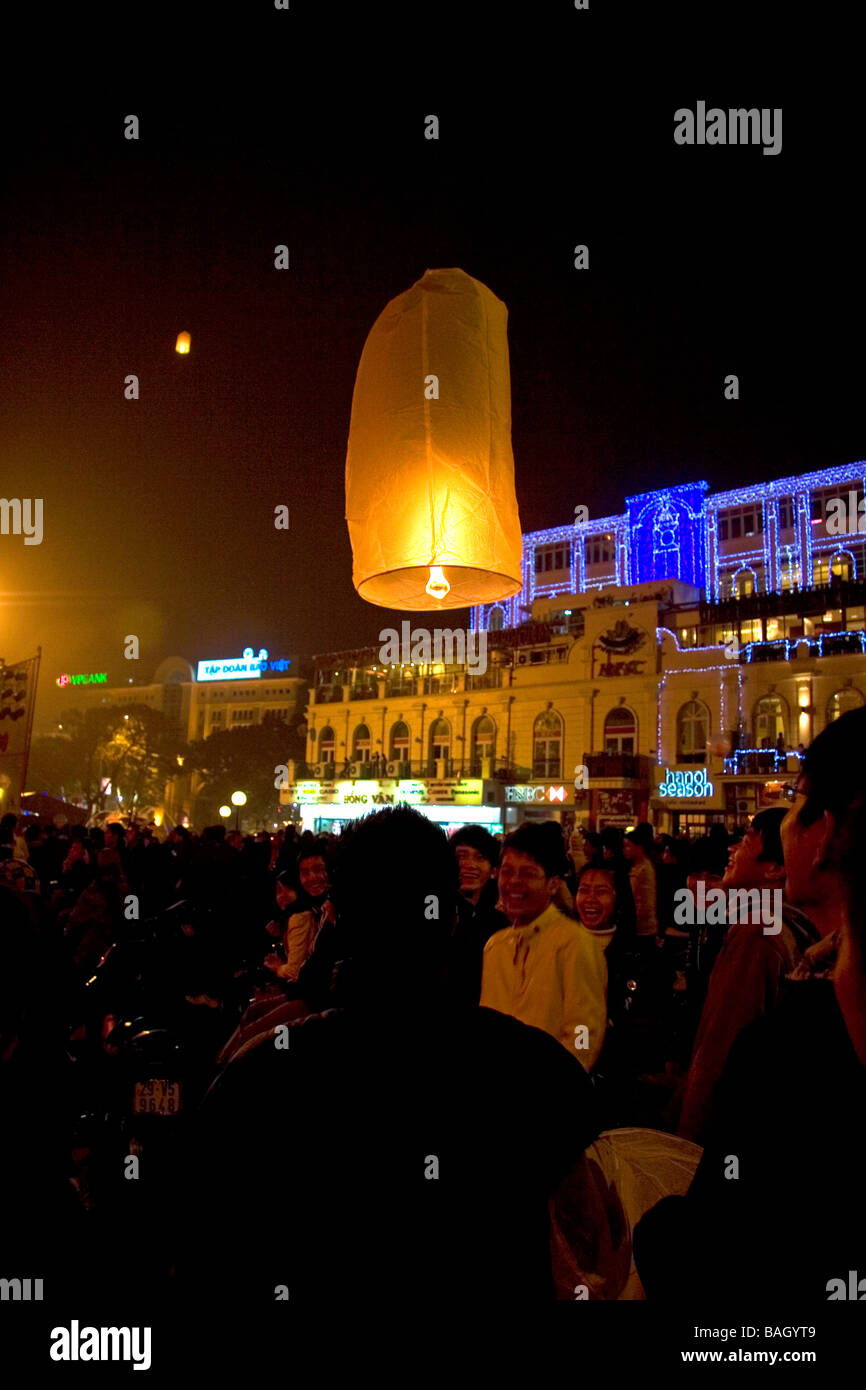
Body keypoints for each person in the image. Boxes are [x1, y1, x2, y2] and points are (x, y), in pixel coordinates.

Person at [176, 806, 600, 1309]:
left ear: (336, 920)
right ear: (450, 918)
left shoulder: (254, 1084)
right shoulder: (541, 1079)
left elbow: (206, 1261)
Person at [634, 706, 866, 1303]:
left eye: (793, 806)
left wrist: (668, 1197)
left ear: (824, 835)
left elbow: (714, 1251)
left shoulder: (791, 1044)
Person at [676, 807, 821, 1145]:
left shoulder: (757, 932)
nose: (732, 850)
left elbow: (720, 1046)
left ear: (774, 869)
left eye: (746, 840)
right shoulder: (794, 922)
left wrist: (689, 1139)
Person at [480, 822, 608, 1067]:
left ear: (552, 884)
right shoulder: (495, 947)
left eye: (527, 874)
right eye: (507, 872)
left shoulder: (576, 945)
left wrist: (559, 1083)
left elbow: (584, 1034)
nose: (513, 882)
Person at [448, 825, 508, 1005]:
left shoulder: (504, 917)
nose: (470, 865)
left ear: (492, 870)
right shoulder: (435, 905)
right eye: (461, 856)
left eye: (480, 858)